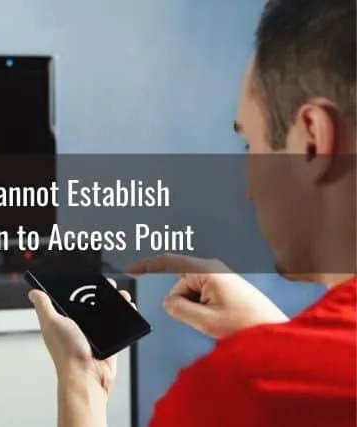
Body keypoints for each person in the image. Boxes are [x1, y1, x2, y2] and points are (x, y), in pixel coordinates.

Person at [28, 0, 356, 426]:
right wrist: (276, 337)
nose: (248, 188)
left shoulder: (235, 393)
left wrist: (80, 385)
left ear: (312, 140)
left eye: (250, 145)